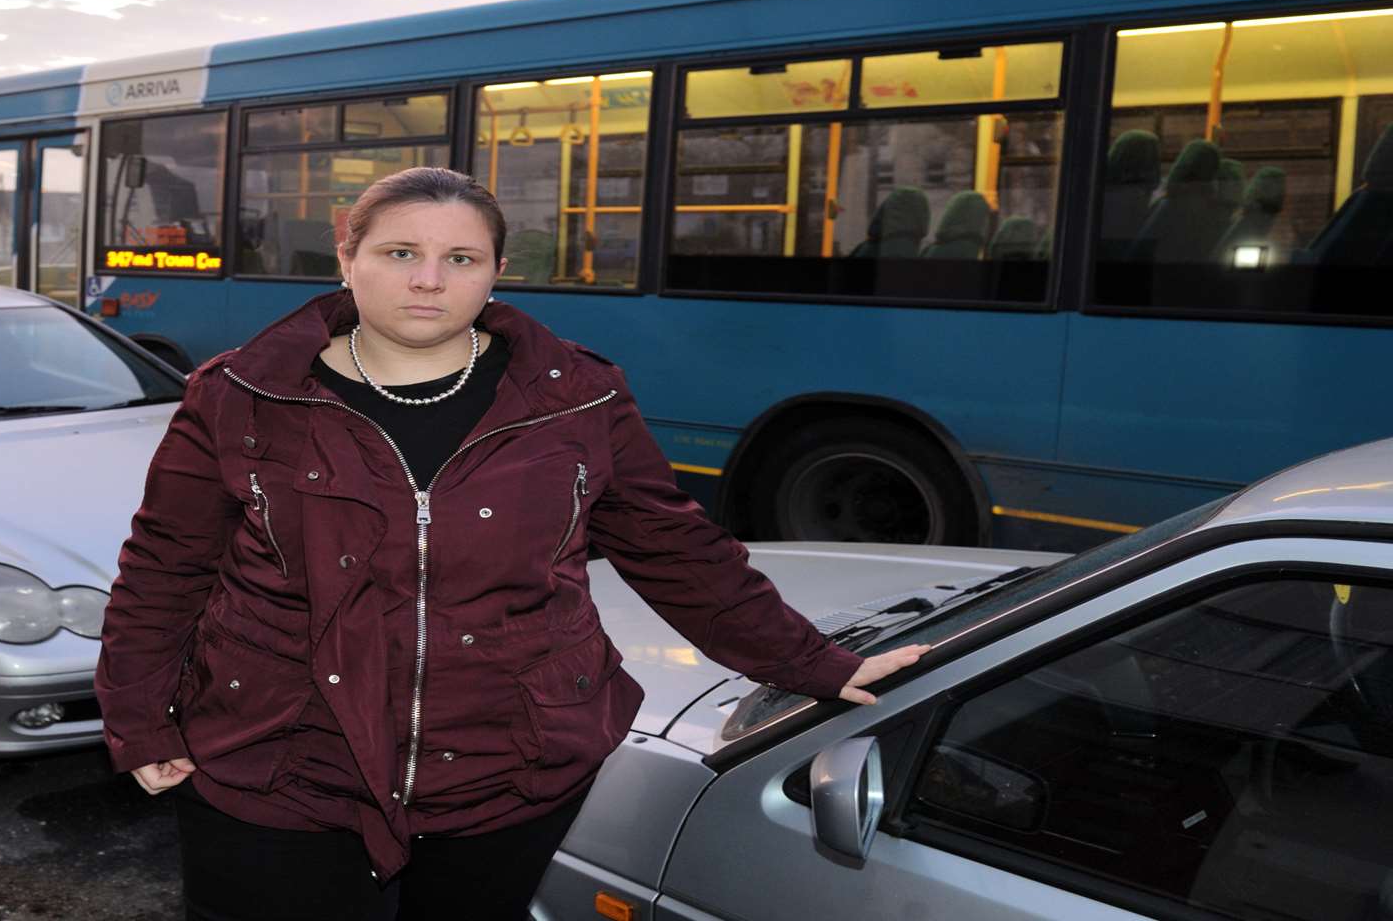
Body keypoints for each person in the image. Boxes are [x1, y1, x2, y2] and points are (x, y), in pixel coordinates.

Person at [95, 167, 928, 920]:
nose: (428, 279)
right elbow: (166, 567)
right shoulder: (240, 394)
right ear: (346, 259)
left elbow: (676, 549)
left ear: (495, 273)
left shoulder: (576, 397)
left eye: (462, 258)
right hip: (281, 760)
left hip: (507, 767)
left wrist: (816, 663)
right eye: (399, 252)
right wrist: (141, 719)